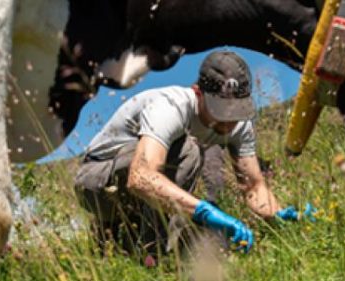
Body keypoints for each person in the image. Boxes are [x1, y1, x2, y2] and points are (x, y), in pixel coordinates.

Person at [74, 50, 313, 256]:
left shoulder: (240, 125)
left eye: (236, 109)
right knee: (189, 150)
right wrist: (203, 212)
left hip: (134, 192)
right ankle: (152, 253)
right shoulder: (170, 106)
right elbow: (140, 177)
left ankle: (120, 238)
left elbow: (253, 187)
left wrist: (279, 214)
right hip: (95, 182)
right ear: (198, 93)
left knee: (191, 153)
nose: (229, 120)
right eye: (220, 109)